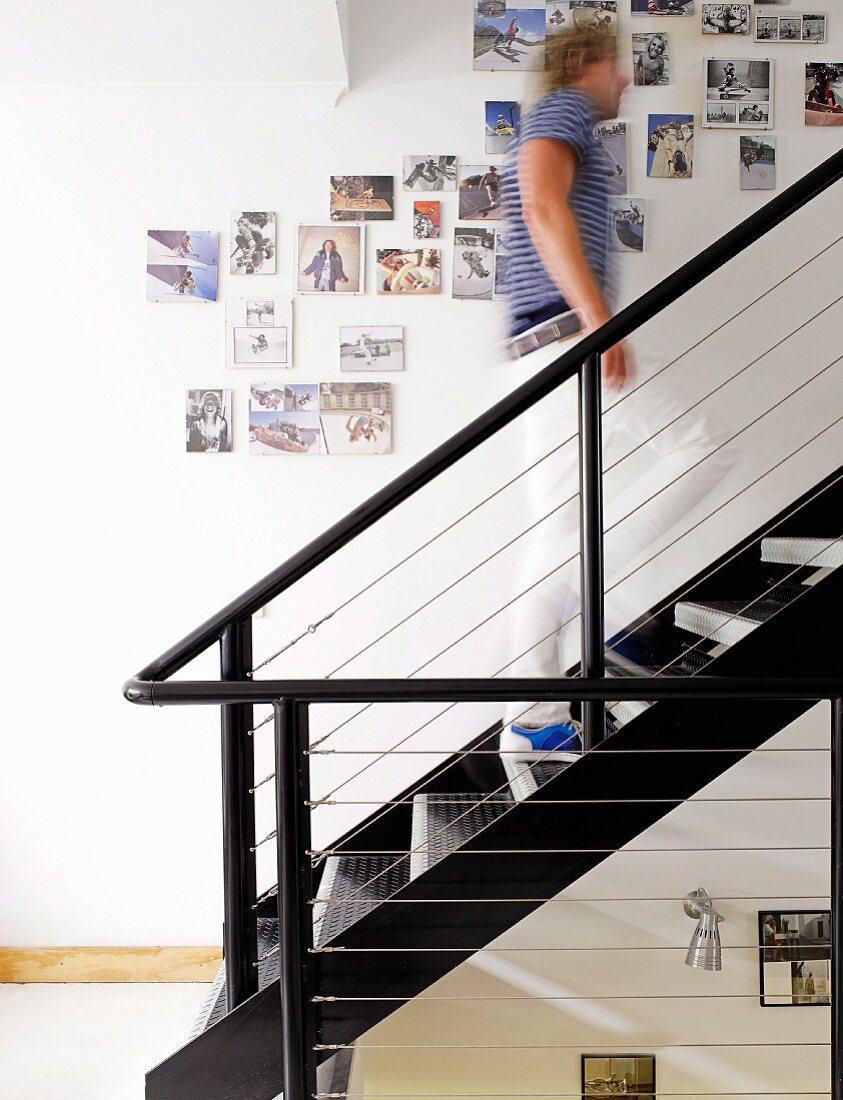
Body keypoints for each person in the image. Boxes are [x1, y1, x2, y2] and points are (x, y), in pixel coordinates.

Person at [498, 28, 727, 766]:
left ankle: (534, 717)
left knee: (552, 538)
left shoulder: (561, 117)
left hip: (542, 344)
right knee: (701, 444)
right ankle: (612, 608)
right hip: (568, 338)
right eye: (615, 62)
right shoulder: (562, 110)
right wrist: (600, 323)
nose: (626, 77)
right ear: (581, 64)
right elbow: (540, 205)